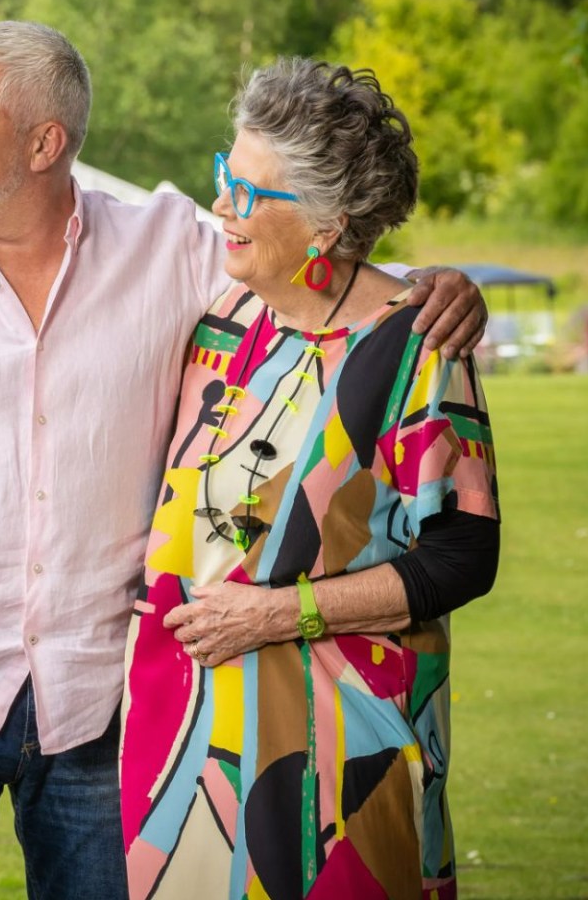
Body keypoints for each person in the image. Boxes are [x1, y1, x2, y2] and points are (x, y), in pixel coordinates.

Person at [0, 22, 485, 900]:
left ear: (44, 142)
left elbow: (315, 264)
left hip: (111, 693)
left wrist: (435, 282)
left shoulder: (174, 249)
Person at [120, 60, 500, 898]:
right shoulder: (223, 320)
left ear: (327, 225)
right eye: (225, 174)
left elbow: (463, 556)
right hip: (184, 735)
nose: (220, 203)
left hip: (343, 742)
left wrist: (275, 615)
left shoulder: (417, 349)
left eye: (247, 192)